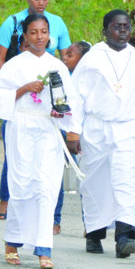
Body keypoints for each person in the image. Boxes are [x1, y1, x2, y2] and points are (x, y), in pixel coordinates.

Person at [0, 14, 81, 269]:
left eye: (43, 32)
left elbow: (71, 100)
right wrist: (24, 88)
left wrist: (72, 129)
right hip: (22, 128)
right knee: (22, 184)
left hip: (48, 130)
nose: (39, 37)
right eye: (33, 32)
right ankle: (12, 241)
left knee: (46, 187)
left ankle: (43, 247)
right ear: (26, 36)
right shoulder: (15, 65)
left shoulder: (57, 66)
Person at [70, 13, 135, 258]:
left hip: (129, 129)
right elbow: (76, 96)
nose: (122, 31)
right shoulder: (92, 59)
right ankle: (94, 233)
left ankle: (125, 236)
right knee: (95, 183)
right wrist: (74, 130)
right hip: (96, 129)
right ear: (105, 31)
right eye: (116, 27)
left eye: (126, 27)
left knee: (127, 181)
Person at [0, 0, 71, 221]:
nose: (41, 3)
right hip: (21, 97)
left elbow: (66, 58)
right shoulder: (12, 22)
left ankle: (53, 214)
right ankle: (7, 200)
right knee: (16, 154)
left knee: (52, 159)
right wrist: (11, 90)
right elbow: (0, 58)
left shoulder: (57, 23)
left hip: (49, 100)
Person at [54, 40, 91, 235]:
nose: (65, 58)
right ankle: (54, 220)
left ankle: (90, 223)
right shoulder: (60, 75)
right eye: (65, 54)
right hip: (61, 130)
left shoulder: (89, 78)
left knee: (86, 179)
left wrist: (75, 134)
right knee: (57, 177)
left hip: (83, 135)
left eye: (70, 55)